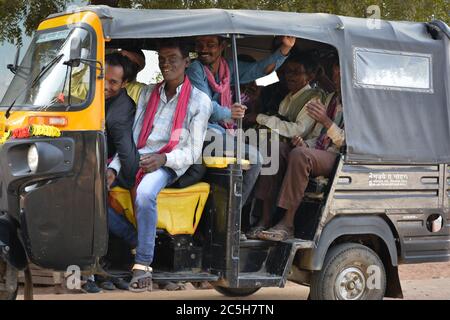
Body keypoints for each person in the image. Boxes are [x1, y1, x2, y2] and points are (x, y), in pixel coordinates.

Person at [107, 38, 212, 292]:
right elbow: (132, 140)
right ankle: (134, 238)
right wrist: (114, 168)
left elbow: (192, 151)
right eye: (162, 60)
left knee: (144, 194)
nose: (166, 65)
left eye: (172, 59)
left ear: (187, 62)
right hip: (139, 157)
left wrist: (163, 159)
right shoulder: (148, 93)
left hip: (170, 163)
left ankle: (143, 264)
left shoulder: (200, 101)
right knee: (92, 190)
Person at [186, 35, 296, 208]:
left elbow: (261, 70)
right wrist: (229, 112)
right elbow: (205, 107)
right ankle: (233, 220)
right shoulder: (195, 69)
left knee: (258, 151)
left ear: (223, 45)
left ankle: (233, 216)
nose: (204, 49)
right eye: (199, 45)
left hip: (220, 132)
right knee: (255, 159)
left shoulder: (227, 68)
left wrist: (285, 49)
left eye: (210, 44)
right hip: (200, 131)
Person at [253, 56, 344, 241]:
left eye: (341, 75)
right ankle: (265, 218)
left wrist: (326, 121)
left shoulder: (357, 102)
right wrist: (306, 143)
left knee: (300, 155)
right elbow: (317, 134)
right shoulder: (332, 99)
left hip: (340, 156)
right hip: (321, 150)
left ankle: (287, 223)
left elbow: (346, 142)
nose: (337, 80)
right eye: (335, 75)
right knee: (275, 148)